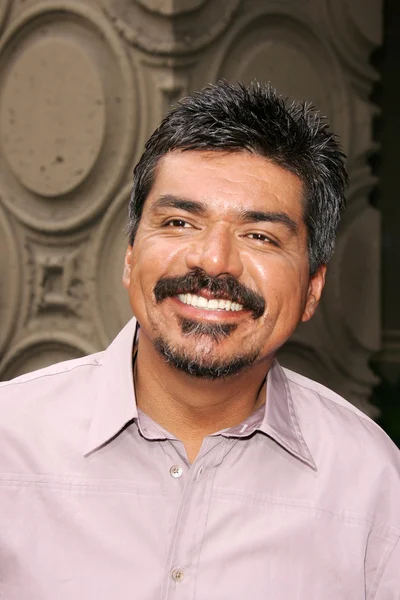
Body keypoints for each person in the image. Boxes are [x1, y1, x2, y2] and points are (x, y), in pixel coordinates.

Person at [0, 81, 399, 599]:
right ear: (130, 258)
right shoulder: (11, 441)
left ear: (312, 289)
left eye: (260, 236)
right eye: (180, 222)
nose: (213, 261)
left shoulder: (372, 483)